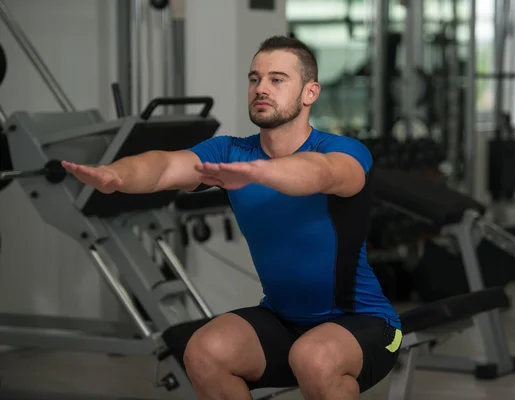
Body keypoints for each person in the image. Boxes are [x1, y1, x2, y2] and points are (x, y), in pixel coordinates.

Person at [62, 35, 402, 400]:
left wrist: (258, 172)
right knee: (205, 352)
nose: (261, 88)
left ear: (310, 92)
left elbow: (318, 174)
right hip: (283, 320)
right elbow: (163, 165)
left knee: (314, 357)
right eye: (255, 79)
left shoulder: (344, 151)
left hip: (365, 323)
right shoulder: (229, 150)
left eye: (277, 79)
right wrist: (117, 176)